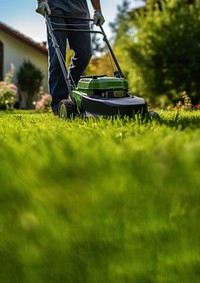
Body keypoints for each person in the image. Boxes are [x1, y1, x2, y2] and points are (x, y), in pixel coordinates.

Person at [36, 0, 105, 114]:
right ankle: (58, 104)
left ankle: (74, 92)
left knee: (85, 53)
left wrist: (97, 10)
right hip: (56, 8)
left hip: (80, 11)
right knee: (58, 56)